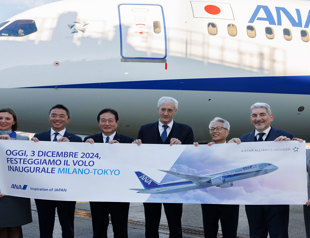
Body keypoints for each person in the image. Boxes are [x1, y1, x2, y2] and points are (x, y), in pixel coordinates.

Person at [228, 102, 292, 238]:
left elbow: (292, 166)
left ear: (271, 117)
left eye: (262, 114)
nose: (258, 118)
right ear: (251, 119)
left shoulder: (286, 137)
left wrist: (290, 146)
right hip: (253, 200)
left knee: (279, 234)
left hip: (277, 199)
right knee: (256, 234)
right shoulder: (242, 140)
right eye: (254, 115)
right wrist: (227, 148)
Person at [134, 96, 194, 238]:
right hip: (152, 184)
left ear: (175, 111)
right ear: (158, 110)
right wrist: (135, 145)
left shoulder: (185, 130)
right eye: (163, 110)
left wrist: (183, 146)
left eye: (169, 110)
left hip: (173, 184)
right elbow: (139, 156)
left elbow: (190, 156)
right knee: (151, 223)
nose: (166, 113)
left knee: (175, 224)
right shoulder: (145, 129)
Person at [32, 104, 82, 238]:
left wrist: (71, 146)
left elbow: (81, 165)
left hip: (66, 192)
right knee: (45, 227)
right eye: (54, 115)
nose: (57, 119)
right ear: (49, 118)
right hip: (43, 191)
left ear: (68, 119)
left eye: (61, 116)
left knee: (68, 227)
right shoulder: (38, 137)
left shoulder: (76, 140)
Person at [84, 108, 134, 238]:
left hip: (120, 193)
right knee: (99, 228)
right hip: (97, 193)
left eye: (110, 121)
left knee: (120, 228)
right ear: (98, 123)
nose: (107, 123)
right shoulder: (90, 141)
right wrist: (85, 148)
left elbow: (133, 163)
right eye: (103, 120)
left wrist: (129, 148)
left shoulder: (128, 141)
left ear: (117, 122)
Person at [199, 117, 239, 238]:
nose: (214, 131)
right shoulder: (203, 150)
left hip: (229, 199)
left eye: (218, 128)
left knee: (230, 232)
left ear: (227, 131)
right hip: (209, 198)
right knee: (209, 232)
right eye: (212, 129)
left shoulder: (237, 148)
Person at [0, 108, 32, 238]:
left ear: (14, 121)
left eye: (7, 118)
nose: (3, 121)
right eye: (0, 118)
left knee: (15, 226)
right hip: (0, 191)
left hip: (17, 190)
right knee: (1, 226)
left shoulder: (24, 140)